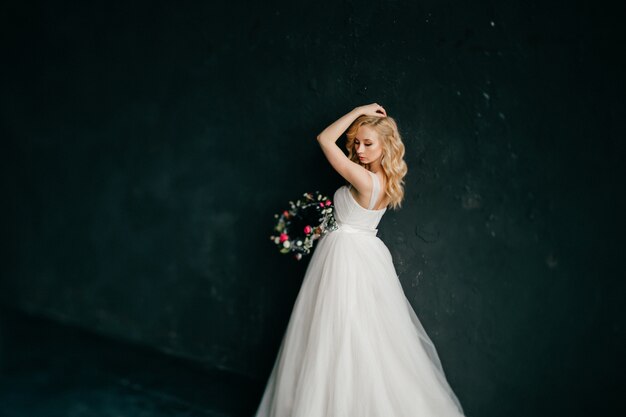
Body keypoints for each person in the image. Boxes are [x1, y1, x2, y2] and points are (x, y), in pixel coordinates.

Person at [254, 104, 466, 417]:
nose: (359, 149)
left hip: (345, 257)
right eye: (357, 142)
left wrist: (359, 111)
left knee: (335, 331)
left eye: (368, 143)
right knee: (354, 332)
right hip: (362, 253)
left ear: (386, 147)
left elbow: (325, 139)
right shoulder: (381, 181)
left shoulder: (365, 180)